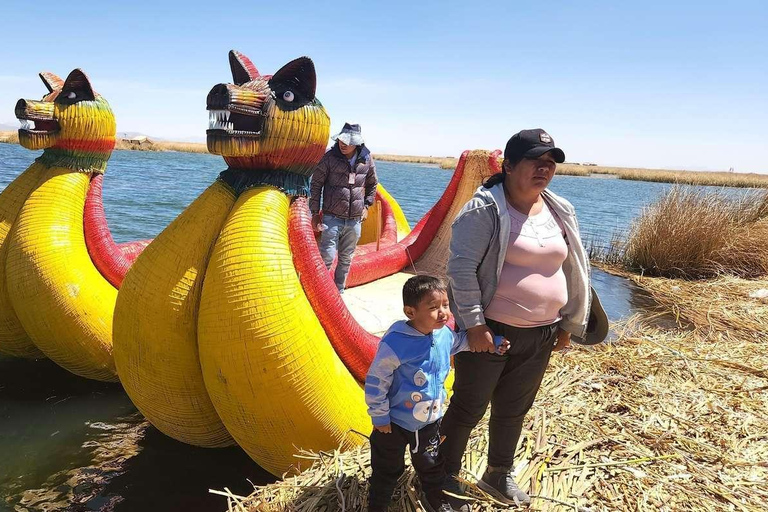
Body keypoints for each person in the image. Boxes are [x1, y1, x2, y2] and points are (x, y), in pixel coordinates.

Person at [439, 129, 608, 510]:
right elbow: (461, 270)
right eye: (535, 161)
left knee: (514, 409)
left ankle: (498, 473)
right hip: (491, 332)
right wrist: (475, 325)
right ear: (509, 166)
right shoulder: (484, 209)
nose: (544, 169)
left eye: (550, 163)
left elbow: (571, 268)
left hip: (541, 333)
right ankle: (441, 477)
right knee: (468, 406)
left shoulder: (559, 208)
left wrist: (568, 324)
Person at [365, 275, 509, 512]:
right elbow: (376, 381)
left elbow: (461, 342)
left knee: (432, 465)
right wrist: (380, 416)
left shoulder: (443, 335)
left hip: (429, 421)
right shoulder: (396, 343)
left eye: (445, 305)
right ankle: (378, 504)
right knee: (386, 467)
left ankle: (435, 499)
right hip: (394, 423)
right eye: (433, 308)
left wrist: (492, 342)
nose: (443, 312)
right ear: (410, 312)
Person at [309, 122, 378, 293]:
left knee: (346, 258)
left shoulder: (367, 159)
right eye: (341, 140)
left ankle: (338, 291)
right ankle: (321, 293)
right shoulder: (329, 158)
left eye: (348, 141)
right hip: (331, 217)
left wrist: (367, 206)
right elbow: (316, 185)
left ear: (357, 143)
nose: (343, 144)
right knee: (327, 256)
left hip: (354, 220)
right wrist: (314, 213)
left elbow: (372, 184)